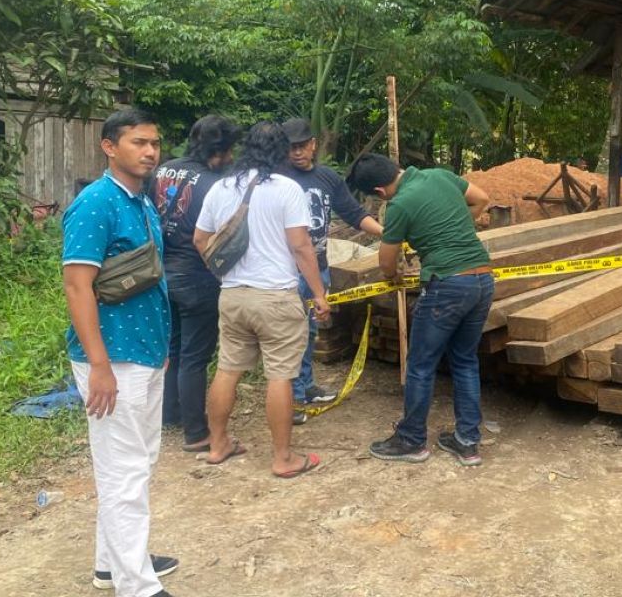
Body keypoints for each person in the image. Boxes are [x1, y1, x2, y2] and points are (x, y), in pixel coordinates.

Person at [61, 108, 178, 597]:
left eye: (154, 143)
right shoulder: (96, 204)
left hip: (146, 352)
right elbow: (76, 285)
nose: (150, 151)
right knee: (123, 469)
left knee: (138, 462)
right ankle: (137, 586)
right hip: (113, 358)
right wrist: (100, 367)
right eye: (138, 142)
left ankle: (112, 563)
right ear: (109, 146)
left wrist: (163, 350)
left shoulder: (141, 203)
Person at [193, 121, 331, 478]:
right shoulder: (286, 188)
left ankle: (218, 443)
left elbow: (200, 239)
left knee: (227, 370)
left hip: (233, 296)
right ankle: (283, 458)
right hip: (276, 297)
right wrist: (318, 294)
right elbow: (301, 246)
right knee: (281, 376)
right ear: (282, 150)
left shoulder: (221, 187)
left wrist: (223, 275)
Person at [345, 153, 493, 467]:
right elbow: (482, 198)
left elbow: (386, 261)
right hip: (482, 278)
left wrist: (393, 276)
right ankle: (467, 443)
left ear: (380, 192)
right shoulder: (440, 175)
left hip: (447, 285)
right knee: (465, 360)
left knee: (420, 364)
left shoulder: (398, 205)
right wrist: (456, 229)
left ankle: (411, 440)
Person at [279, 117, 383, 421]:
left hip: (318, 267)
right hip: (285, 270)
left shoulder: (327, 178)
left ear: (313, 145)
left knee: (309, 331)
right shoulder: (276, 178)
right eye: (290, 148)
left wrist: (384, 232)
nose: (297, 153)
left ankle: (306, 385)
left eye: (302, 146)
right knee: (290, 334)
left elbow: (353, 213)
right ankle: (292, 399)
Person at [152, 115, 240, 453]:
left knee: (173, 348)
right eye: (230, 150)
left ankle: (170, 413)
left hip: (160, 274)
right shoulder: (214, 184)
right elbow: (218, 235)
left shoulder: (164, 169)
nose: (232, 157)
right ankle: (196, 432)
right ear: (220, 150)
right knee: (195, 356)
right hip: (196, 277)